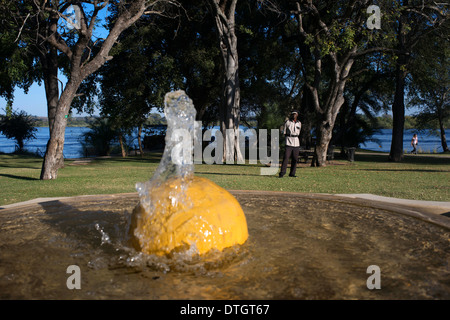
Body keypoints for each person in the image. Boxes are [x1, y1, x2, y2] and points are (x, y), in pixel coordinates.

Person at [279, 110, 302, 178]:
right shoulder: (287, 122)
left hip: (296, 142)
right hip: (289, 141)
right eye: (293, 114)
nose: (294, 115)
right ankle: (282, 173)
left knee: (295, 159)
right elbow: (284, 131)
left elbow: (299, 132)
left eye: (295, 114)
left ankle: (292, 173)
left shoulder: (299, 123)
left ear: (297, 115)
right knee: (286, 157)